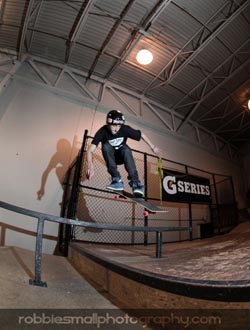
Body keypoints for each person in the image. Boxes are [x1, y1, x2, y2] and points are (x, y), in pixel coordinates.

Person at [86, 110, 160, 196]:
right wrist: (90, 165)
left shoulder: (125, 129)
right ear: (108, 123)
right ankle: (116, 179)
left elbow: (141, 135)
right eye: (114, 125)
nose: (117, 129)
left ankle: (136, 183)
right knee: (106, 146)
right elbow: (89, 150)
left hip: (123, 156)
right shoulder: (102, 131)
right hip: (111, 157)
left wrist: (152, 146)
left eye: (119, 126)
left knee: (126, 149)